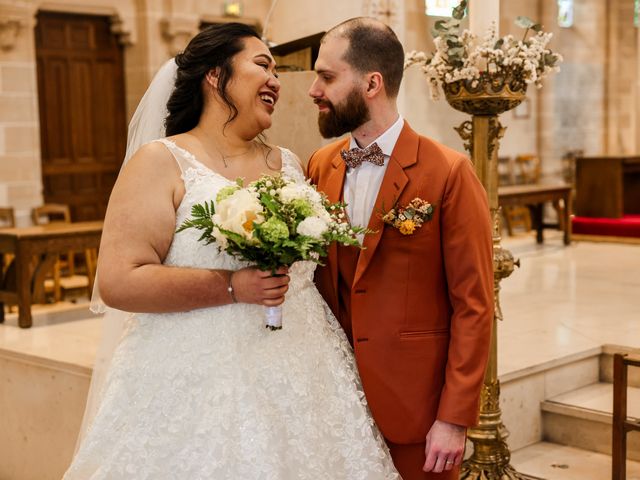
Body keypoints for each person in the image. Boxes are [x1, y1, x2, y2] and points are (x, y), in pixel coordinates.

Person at [64, 23, 399, 479]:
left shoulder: (291, 164)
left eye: (277, 70)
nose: (277, 81)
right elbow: (120, 281)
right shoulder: (162, 162)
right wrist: (231, 286)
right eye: (262, 65)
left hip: (305, 377)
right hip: (196, 383)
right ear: (215, 75)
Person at [307, 18, 494, 480]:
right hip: (332, 400)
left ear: (372, 83)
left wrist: (453, 417)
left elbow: (473, 304)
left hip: (416, 408)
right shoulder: (319, 164)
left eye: (327, 77)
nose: (313, 89)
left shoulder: (449, 171)